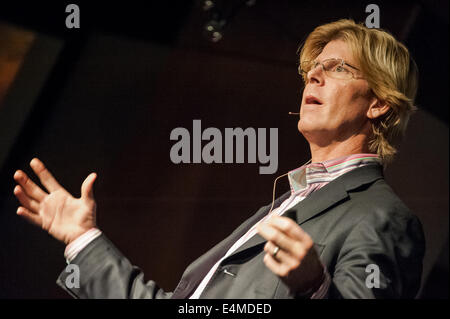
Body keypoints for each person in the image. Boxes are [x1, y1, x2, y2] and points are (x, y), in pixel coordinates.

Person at [13, 19, 425, 299]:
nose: (313, 77)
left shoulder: (380, 215)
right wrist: (82, 238)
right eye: (312, 68)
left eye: (336, 68)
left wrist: (314, 286)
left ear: (379, 104)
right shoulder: (288, 201)